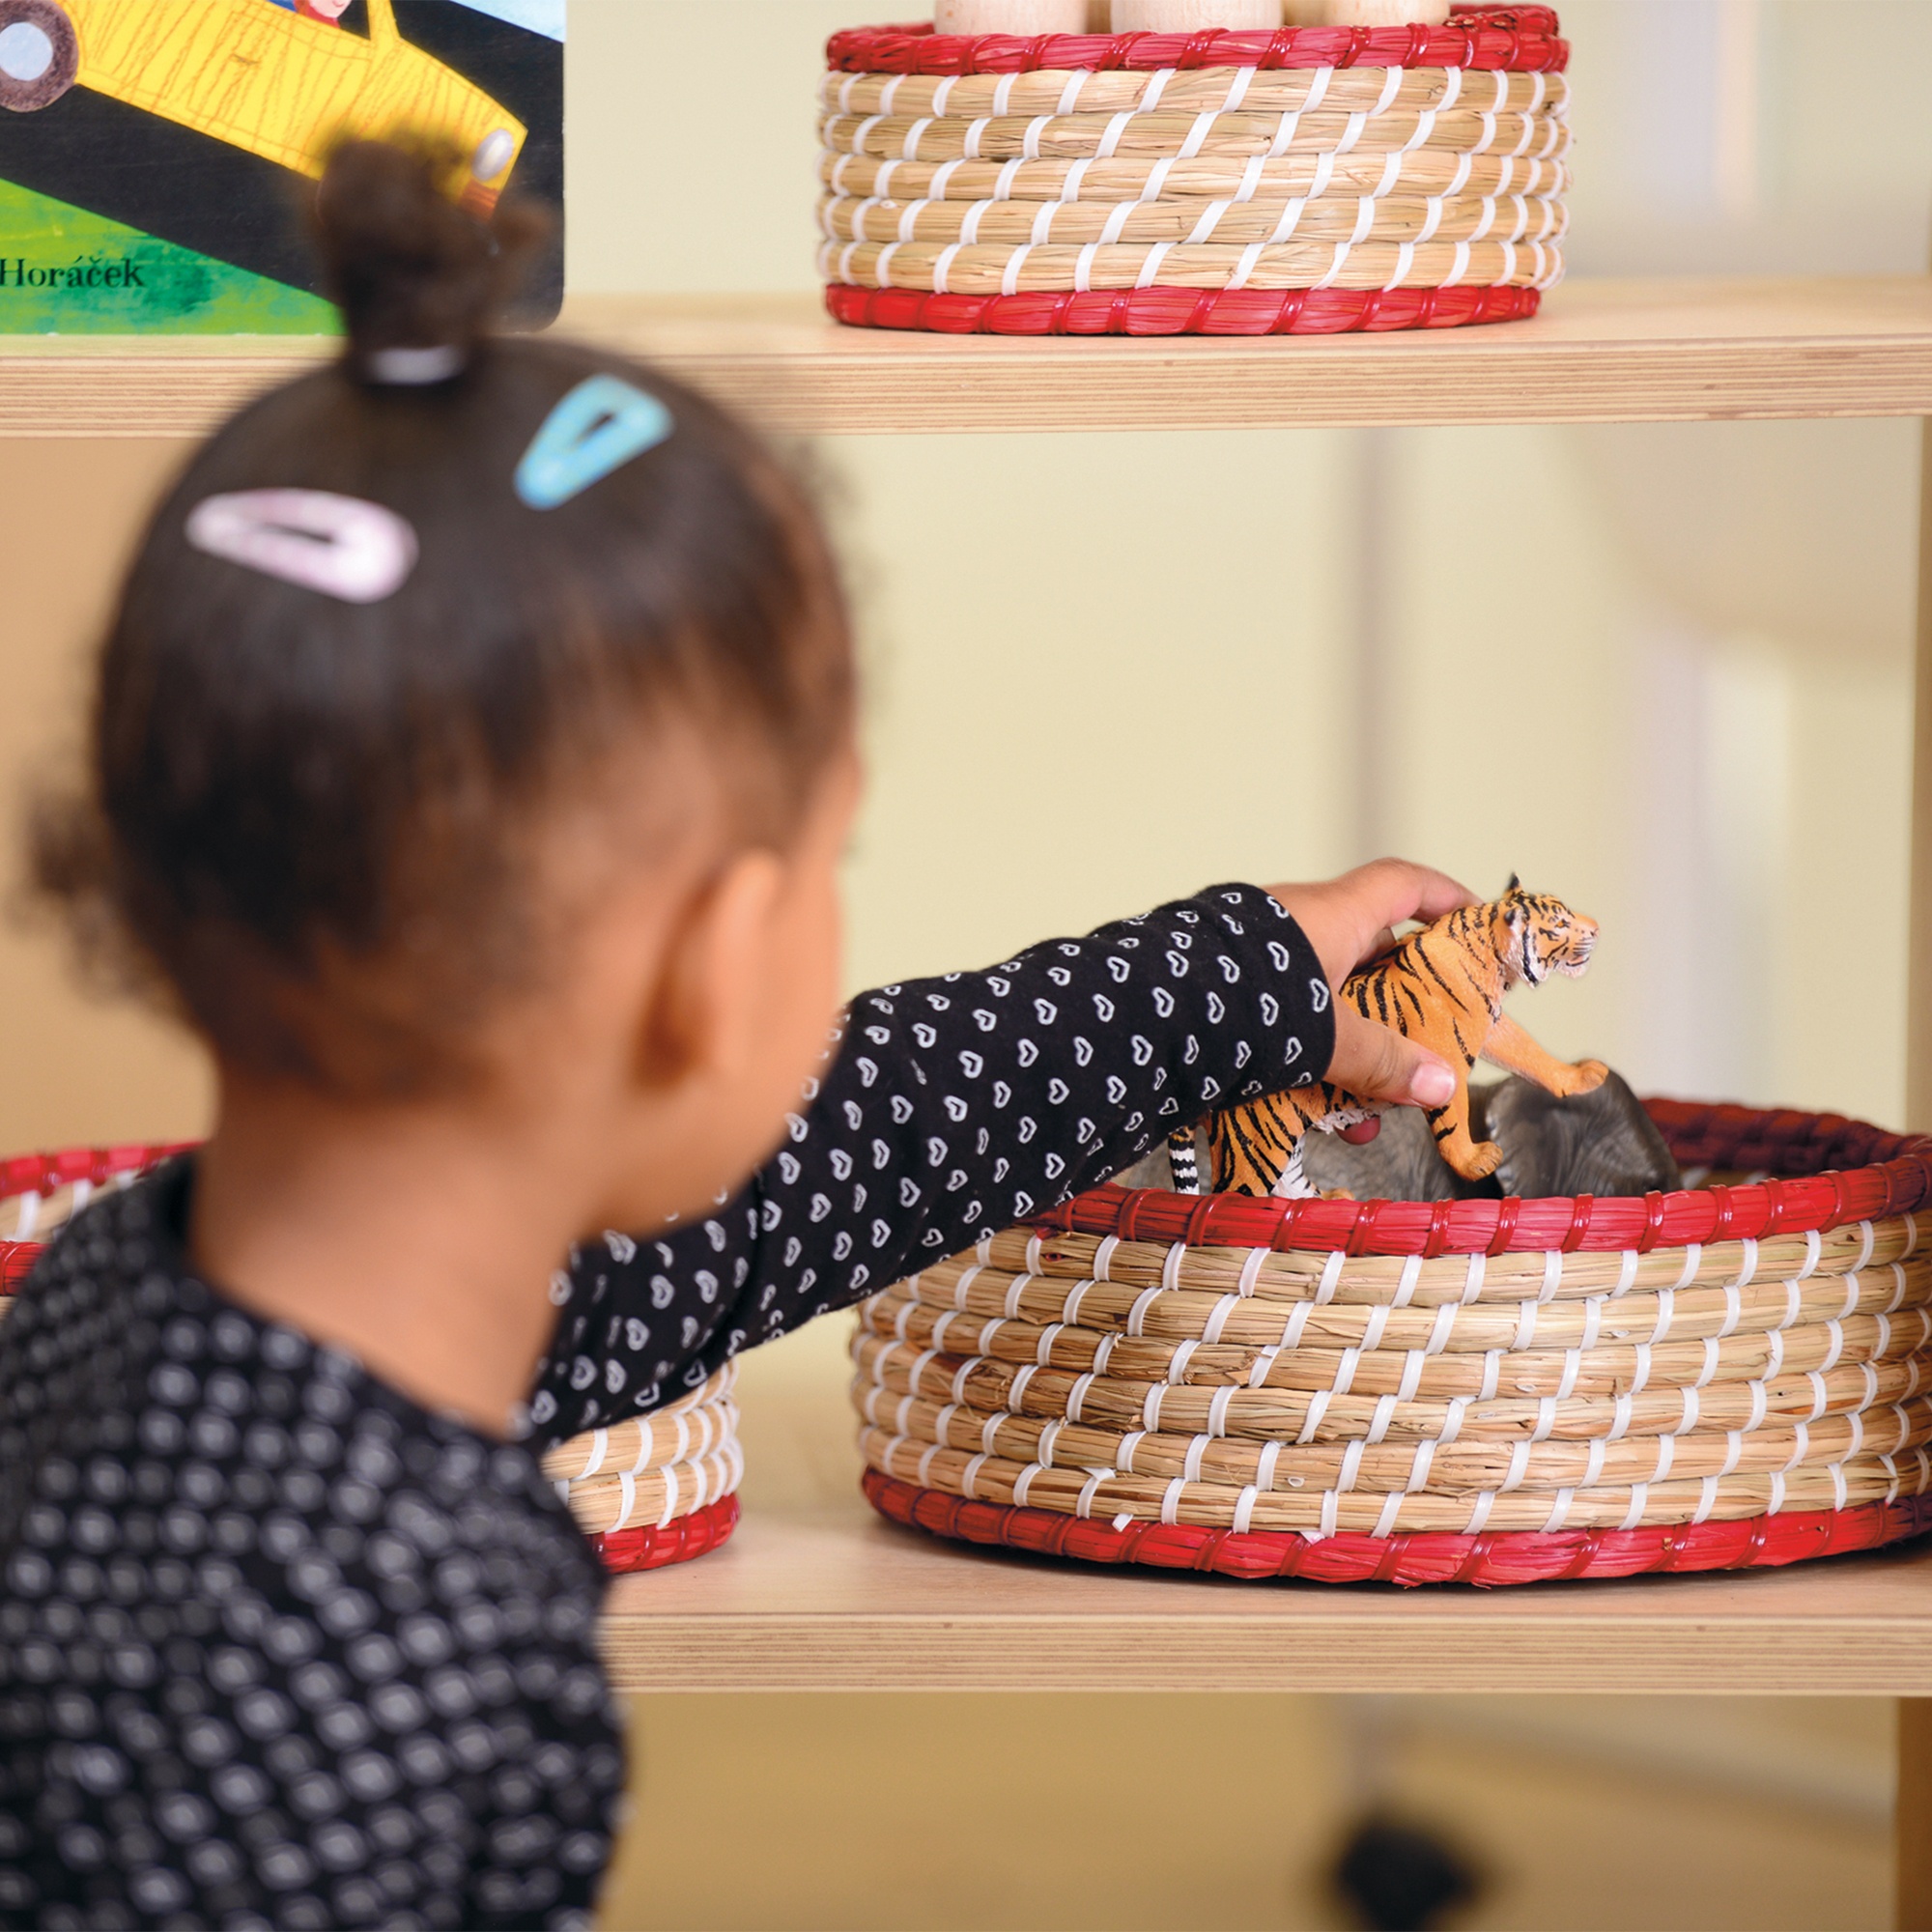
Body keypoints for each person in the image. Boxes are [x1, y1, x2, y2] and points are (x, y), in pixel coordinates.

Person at [0, 140, 1465, 1929]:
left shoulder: (122, 1303)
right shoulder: (380, 1638)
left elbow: (791, 1187)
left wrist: (1239, 982)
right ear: (720, 961)